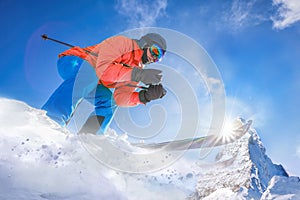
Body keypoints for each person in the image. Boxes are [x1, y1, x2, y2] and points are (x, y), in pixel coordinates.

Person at [42, 33, 167, 135]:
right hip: (75, 61)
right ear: (145, 44)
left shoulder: (137, 70)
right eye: (155, 51)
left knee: (110, 102)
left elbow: (121, 98)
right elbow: (103, 69)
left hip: (92, 80)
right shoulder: (123, 43)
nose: (154, 58)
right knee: (89, 75)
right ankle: (50, 120)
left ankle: (90, 136)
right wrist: (138, 74)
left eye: (159, 57)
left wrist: (144, 96)